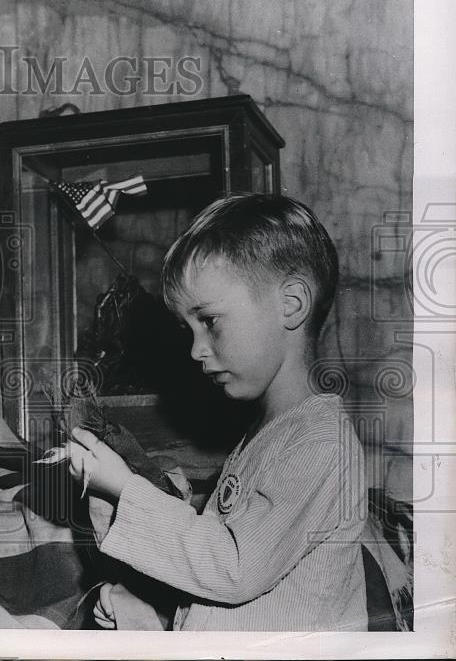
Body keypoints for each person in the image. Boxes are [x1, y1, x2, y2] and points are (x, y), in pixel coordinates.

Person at [68, 193, 368, 631]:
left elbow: (232, 568)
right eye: (187, 329)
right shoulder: (270, 433)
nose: (195, 350)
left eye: (208, 320)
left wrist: (125, 488)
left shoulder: (320, 443)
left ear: (291, 304)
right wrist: (152, 611)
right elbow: (227, 592)